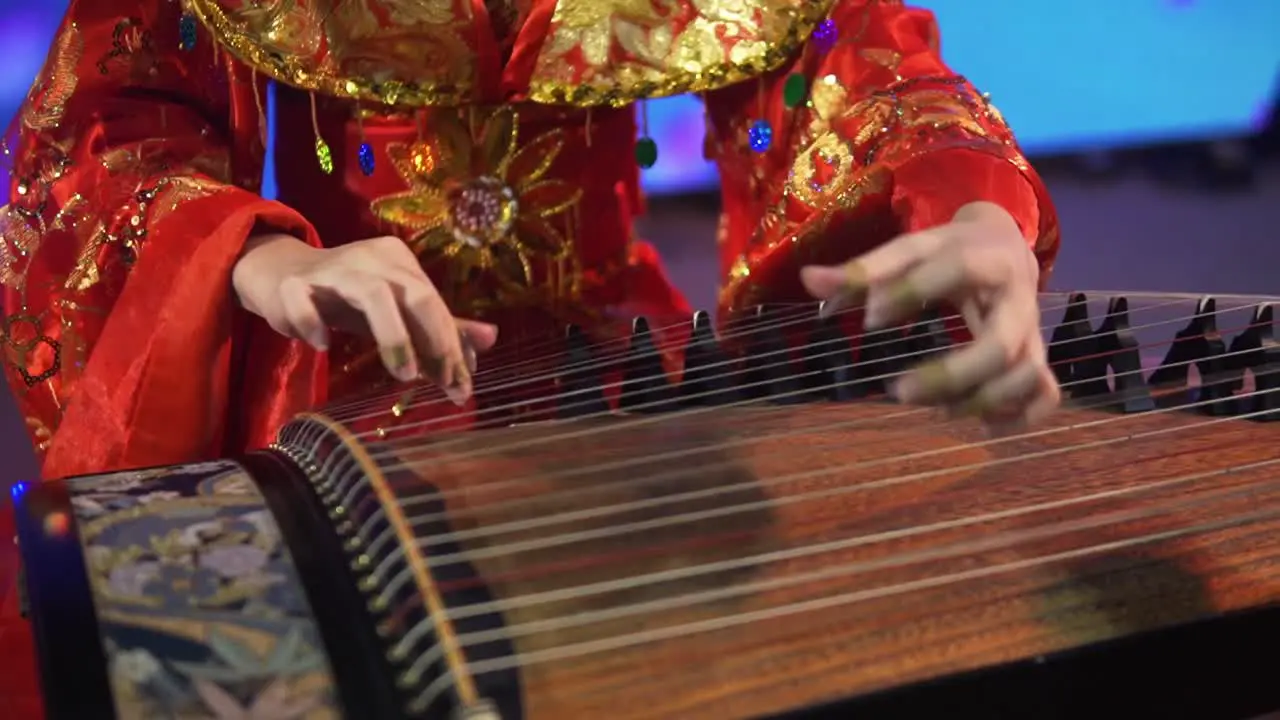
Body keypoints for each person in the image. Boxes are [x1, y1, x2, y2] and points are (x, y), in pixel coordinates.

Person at [0, 0, 1061, 714]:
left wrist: (970, 204)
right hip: (342, 376)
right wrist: (256, 258)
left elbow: (864, 65)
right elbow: (113, 122)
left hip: (615, 390)